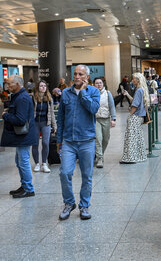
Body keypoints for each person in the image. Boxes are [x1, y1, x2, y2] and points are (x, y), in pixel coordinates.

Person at [57, 65, 100, 220]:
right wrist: (59, 139)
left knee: (87, 175)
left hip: (87, 140)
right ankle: (69, 203)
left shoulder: (93, 92)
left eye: (80, 74)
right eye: (75, 73)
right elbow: (60, 117)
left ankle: (84, 206)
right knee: (65, 172)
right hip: (68, 140)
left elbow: (94, 109)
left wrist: (83, 93)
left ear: (86, 77)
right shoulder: (66, 93)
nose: (76, 76)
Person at [1, 75, 37, 198]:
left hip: (24, 137)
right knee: (20, 161)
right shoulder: (19, 96)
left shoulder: (22, 98)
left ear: (17, 84)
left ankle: (28, 189)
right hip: (21, 136)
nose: (8, 86)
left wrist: (5, 115)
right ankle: (24, 186)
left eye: (10, 83)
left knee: (23, 162)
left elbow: (20, 120)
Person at [120, 73, 150, 164]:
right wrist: (128, 95)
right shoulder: (142, 90)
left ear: (138, 80)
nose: (132, 80)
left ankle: (130, 158)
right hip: (140, 117)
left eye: (134, 79)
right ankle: (140, 156)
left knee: (131, 138)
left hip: (135, 116)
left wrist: (130, 115)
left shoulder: (138, 90)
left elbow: (135, 105)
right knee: (138, 137)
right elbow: (136, 101)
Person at [32, 80, 57, 173]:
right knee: (35, 144)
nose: (43, 87)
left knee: (45, 143)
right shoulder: (33, 97)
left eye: (44, 86)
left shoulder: (49, 98)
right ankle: (37, 164)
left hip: (46, 123)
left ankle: (44, 163)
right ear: (38, 87)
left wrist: (54, 125)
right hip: (35, 123)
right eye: (41, 86)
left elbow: (52, 113)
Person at [93, 77, 116, 168]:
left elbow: (112, 106)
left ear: (103, 84)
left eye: (100, 83)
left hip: (106, 118)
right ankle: (100, 158)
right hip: (95, 119)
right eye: (96, 83)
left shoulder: (107, 93)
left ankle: (100, 154)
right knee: (98, 138)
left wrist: (113, 119)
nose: (98, 84)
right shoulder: (92, 94)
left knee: (105, 139)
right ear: (94, 85)